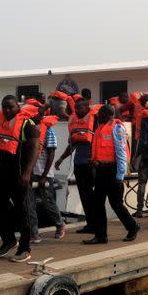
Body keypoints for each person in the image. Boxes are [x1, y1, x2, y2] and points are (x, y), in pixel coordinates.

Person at [0, 95, 39, 262]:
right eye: (5, 107)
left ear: (18, 106)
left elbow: (34, 149)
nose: (8, 110)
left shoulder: (27, 124)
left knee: (22, 209)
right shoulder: (2, 122)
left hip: (20, 172)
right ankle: (9, 239)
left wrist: (27, 173)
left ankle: (25, 248)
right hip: (4, 170)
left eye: (11, 107)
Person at [83, 105, 140, 244]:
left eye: (100, 114)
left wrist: (120, 176)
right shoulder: (100, 128)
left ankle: (133, 227)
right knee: (98, 203)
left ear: (107, 114)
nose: (97, 116)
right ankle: (101, 236)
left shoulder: (117, 128)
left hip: (113, 170)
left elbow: (121, 153)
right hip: (101, 170)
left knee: (116, 204)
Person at [55, 98, 97, 234]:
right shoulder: (75, 122)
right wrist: (61, 158)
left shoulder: (95, 121)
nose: (77, 110)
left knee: (93, 196)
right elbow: (72, 146)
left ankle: (97, 225)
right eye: (76, 108)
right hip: (79, 165)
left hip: (92, 165)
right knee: (84, 195)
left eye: (80, 108)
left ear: (87, 107)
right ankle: (91, 224)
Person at [26, 101, 66, 242]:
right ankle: (34, 233)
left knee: (48, 202)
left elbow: (51, 154)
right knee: (29, 204)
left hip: (43, 173)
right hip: (29, 173)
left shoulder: (48, 130)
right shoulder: (26, 129)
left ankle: (60, 224)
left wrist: (44, 176)